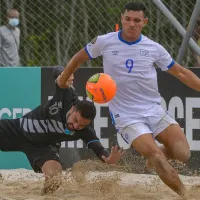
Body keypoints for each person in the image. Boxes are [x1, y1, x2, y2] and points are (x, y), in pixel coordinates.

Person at [56, 1, 200, 198]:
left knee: (183, 153)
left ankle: (154, 155)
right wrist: (63, 79)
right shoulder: (105, 42)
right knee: (157, 158)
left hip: (154, 109)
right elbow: (79, 57)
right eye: (128, 19)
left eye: (137, 20)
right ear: (122, 19)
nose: (132, 24)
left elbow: (181, 73)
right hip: (126, 115)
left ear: (144, 22)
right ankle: (185, 194)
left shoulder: (153, 48)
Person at [0, 65, 124, 194]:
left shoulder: (86, 130)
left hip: (43, 147)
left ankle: (45, 196)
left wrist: (108, 159)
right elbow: (57, 70)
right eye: (75, 120)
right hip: (17, 129)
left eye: (81, 126)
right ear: (72, 109)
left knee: (55, 180)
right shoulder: (67, 96)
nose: (76, 126)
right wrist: (65, 74)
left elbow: (98, 149)